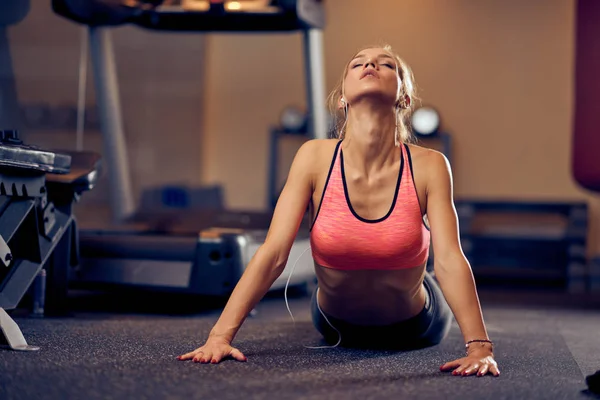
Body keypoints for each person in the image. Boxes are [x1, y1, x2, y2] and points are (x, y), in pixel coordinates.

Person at [178, 44, 500, 377]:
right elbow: (273, 253)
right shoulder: (314, 158)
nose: (370, 64)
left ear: (404, 98)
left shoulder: (430, 165)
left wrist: (480, 348)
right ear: (342, 97)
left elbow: (448, 259)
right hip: (336, 326)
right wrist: (219, 337)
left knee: (430, 275)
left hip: (415, 325)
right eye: (357, 63)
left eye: (386, 64)